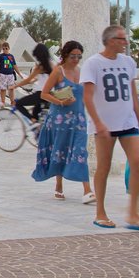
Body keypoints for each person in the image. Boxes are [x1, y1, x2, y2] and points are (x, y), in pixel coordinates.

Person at [81, 24, 139, 232]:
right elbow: (87, 96)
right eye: (122, 39)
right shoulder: (93, 64)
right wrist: (98, 122)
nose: (126, 42)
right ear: (111, 40)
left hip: (127, 122)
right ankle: (100, 213)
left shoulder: (128, 62)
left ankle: (133, 213)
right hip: (104, 125)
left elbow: (133, 95)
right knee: (103, 167)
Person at [32, 40, 94, 204]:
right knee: (60, 150)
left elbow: (86, 95)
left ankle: (87, 190)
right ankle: (58, 186)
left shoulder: (81, 72)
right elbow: (44, 94)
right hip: (60, 119)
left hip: (79, 119)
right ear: (65, 55)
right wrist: (60, 101)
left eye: (79, 56)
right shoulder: (58, 72)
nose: (76, 59)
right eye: (73, 56)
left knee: (81, 152)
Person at [10, 43, 54, 127]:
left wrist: (15, 86)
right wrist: (34, 80)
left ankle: (32, 120)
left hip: (40, 94)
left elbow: (27, 80)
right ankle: (38, 129)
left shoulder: (39, 67)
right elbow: (45, 78)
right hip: (49, 95)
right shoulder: (51, 65)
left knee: (18, 103)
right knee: (36, 112)